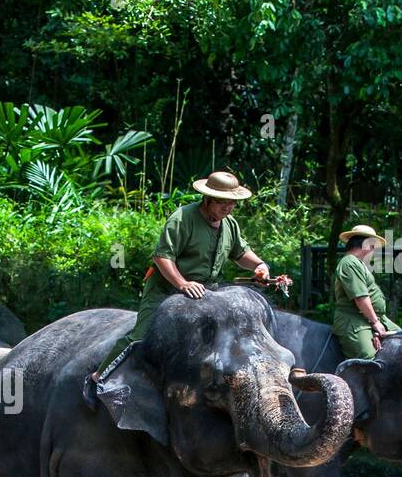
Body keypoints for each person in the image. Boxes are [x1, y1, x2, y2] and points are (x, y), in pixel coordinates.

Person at [87, 170, 274, 400]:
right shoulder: (183, 218)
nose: (228, 208)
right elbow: (162, 256)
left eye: (232, 204)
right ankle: (98, 378)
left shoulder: (229, 224)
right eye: (223, 203)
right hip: (167, 289)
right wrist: (182, 283)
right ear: (208, 199)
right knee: (141, 335)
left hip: (203, 295)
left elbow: (241, 252)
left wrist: (260, 265)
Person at [331, 224, 401, 359]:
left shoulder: (358, 263)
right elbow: (360, 297)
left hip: (371, 318)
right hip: (353, 321)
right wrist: (375, 322)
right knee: (369, 359)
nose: (374, 250)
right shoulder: (349, 263)